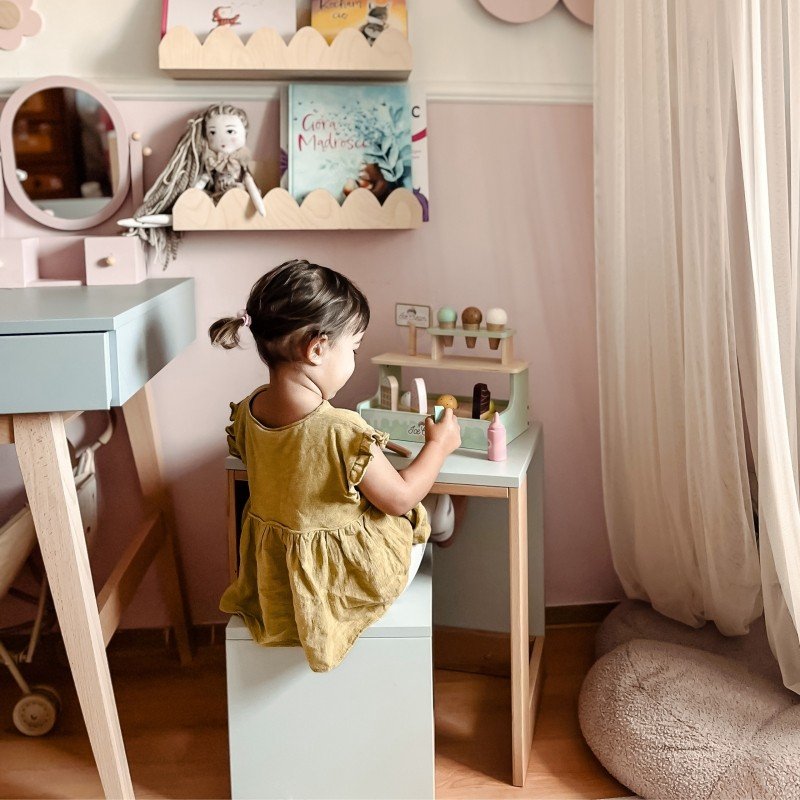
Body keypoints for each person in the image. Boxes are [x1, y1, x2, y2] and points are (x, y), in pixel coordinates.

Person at [209, 259, 462, 672]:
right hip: (345, 579)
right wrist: (438, 445)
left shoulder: (249, 411)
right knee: (424, 508)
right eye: (355, 348)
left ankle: (442, 518)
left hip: (277, 579)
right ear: (318, 348)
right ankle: (444, 522)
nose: (355, 359)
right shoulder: (342, 430)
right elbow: (398, 499)